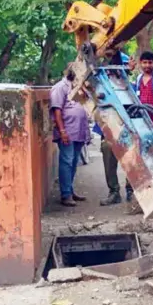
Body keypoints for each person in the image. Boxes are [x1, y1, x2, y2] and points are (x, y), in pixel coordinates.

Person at [99, 48, 134, 205]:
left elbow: (129, 71)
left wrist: (130, 68)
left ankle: (131, 189)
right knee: (107, 150)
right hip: (107, 116)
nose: (109, 52)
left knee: (131, 153)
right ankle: (114, 192)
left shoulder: (124, 61)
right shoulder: (97, 64)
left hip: (126, 115)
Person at [50, 69, 90, 206]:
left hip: (79, 131)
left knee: (73, 162)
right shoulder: (60, 87)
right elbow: (57, 110)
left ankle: (70, 190)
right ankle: (65, 194)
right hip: (67, 131)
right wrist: (62, 131)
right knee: (67, 161)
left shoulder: (79, 86)